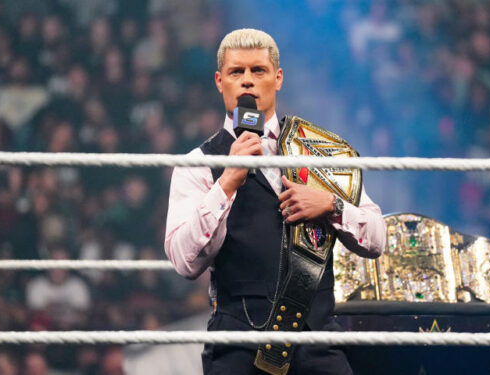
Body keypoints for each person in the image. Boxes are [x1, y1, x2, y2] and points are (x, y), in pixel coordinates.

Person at [164, 28, 386, 374]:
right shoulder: (198, 164)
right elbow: (184, 261)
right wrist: (225, 185)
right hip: (238, 350)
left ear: (278, 78)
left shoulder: (318, 152)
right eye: (237, 72)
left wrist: (331, 205)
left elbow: (377, 238)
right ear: (220, 81)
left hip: (317, 346)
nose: (247, 82)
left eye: (259, 71)